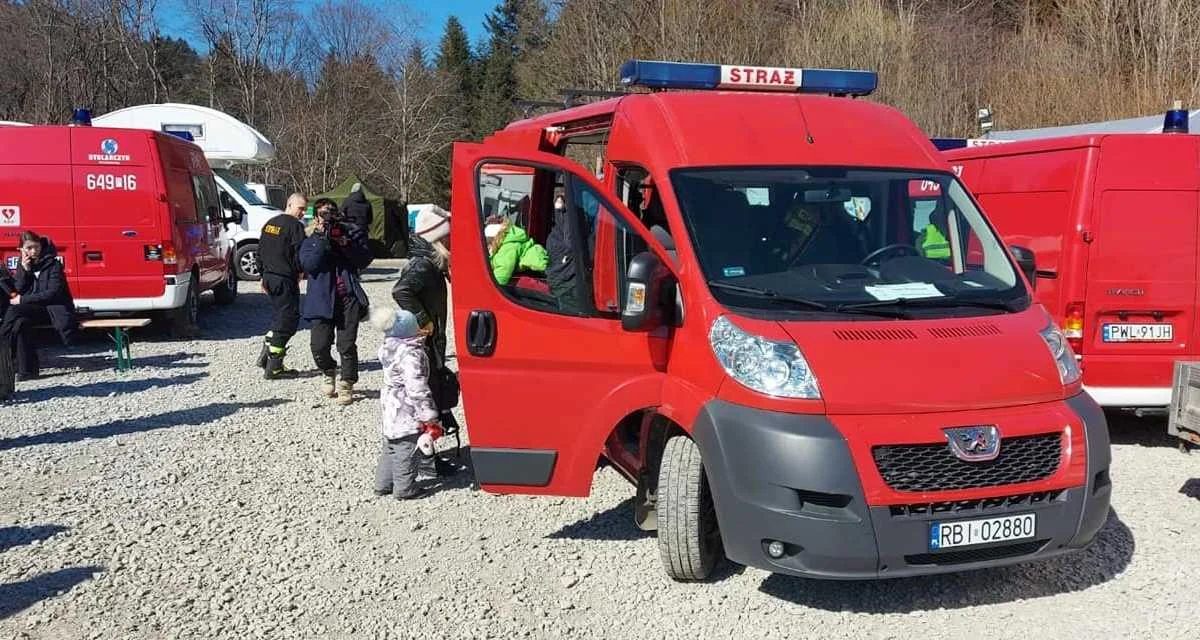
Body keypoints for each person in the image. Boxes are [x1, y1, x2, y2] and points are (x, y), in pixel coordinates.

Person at [391, 207, 463, 477]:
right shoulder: (423, 265)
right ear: (438, 238)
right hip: (423, 343)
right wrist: (423, 320)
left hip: (429, 342)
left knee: (431, 392)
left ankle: (426, 454)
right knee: (426, 395)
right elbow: (401, 290)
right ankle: (425, 461)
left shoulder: (431, 261)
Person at [300, 198, 373, 405]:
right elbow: (310, 265)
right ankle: (328, 370)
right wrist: (323, 239)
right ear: (316, 217)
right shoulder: (310, 239)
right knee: (319, 345)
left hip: (347, 297)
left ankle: (347, 383)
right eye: (323, 213)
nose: (328, 216)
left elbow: (364, 259)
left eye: (331, 212)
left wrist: (345, 244)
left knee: (347, 344)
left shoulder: (349, 233)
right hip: (321, 298)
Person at [369, 306, 444, 500]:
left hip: (390, 404)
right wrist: (429, 414)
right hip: (405, 407)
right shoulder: (410, 354)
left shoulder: (389, 347)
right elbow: (416, 387)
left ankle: (382, 484)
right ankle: (405, 488)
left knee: (391, 447)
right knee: (407, 450)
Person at [1, 231, 75, 380]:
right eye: (29, 248)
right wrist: (25, 269)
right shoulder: (24, 264)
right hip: (34, 310)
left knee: (15, 310)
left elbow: (53, 293)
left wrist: (23, 300)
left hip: (53, 310)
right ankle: (27, 371)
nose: (33, 251)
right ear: (21, 249)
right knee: (21, 324)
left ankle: (2, 341)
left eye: (36, 247)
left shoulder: (53, 264)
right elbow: (19, 289)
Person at [255, 192, 308, 379]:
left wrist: (262, 275)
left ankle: (266, 356)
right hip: (285, 278)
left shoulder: (271, 224)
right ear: (290, 204)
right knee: (288, 320)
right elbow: (300, 254)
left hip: (270, 277)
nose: (302, 213)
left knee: (280, 315)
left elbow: (260, 251)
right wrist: (302, 272)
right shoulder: (295, 227)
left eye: (305, 210)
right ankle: (274, 367)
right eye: (300, 208)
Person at [485, 219, 548, 285]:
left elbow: (504, 269)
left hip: (538, 265)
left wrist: (490, 285)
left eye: (489, 243)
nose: (488, 247)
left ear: (496, 239)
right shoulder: (506, 242)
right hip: (535, 263)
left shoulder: (508, 247)